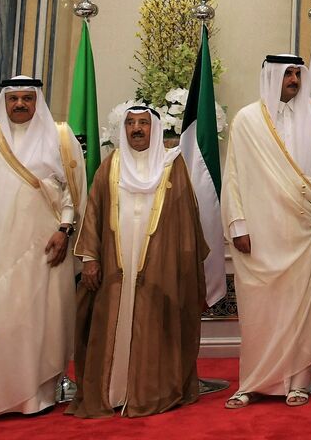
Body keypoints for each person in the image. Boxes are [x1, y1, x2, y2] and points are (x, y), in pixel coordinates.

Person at [0, 76, 85, 420]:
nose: (21, 104)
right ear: (4, 103)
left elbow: (72, 190)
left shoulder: (58, 137)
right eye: (14, 99)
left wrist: (65, 230)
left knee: (34, 322)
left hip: (42, 246)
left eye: (28, 98)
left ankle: (33, 399)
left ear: (37, 101)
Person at [68, 105, 208, 417]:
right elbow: (93, 213)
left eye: (143, 123)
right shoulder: (110, 166)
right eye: (130, 123)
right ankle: (114, 392)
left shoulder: (173, 166)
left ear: (155, 129)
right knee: (113, 324)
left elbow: (188, 223)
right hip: (115, 268)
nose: (136, 129)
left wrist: (184, 268)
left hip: (161, 267)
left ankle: (150, 392)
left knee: (155, 322)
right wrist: (90, 258)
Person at [222, 55, 311, 408]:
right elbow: (234, 177)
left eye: (296, 73)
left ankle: (298, 382)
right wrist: (238, 225)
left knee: (303, 305)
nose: (293, 79)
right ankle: (253, 381)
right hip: (260, 230)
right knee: (261, 308)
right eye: (286, 73)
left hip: (306, 227)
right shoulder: (246, 120)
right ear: (270, 77)